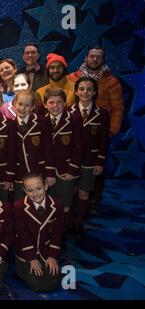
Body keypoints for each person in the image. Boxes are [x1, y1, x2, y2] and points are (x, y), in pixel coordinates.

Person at [69, 77, 109, 234]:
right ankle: (68, 221)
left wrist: (100, 161)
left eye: (89, 89)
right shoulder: (68, 112)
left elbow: (104, 140)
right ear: (77, 92)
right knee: (70, 191)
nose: (85, 92)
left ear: (94, 92)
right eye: (82, 89)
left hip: (90, 160)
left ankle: (78, 222)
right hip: (71, 160)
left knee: (84, 191)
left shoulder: (102, 114)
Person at [14, 172, 65, 292]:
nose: (35, 193)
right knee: (37, 284)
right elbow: (22, 235)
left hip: (46, 249)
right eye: (30, 190)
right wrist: (32, 258)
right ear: (24, 190)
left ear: (46, 186)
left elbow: (58, 232)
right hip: (27, 252)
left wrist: (52, 256)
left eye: (39, 188)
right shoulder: (18, 206)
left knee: (54, 281)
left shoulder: (57, 204)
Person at [44, 88, 82, 220]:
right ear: (45, 104)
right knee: (51, 203)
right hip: (49, 170)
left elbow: (79, 147)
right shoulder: (42, 120)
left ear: (65, 103)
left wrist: (72, 170)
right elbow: (44, 149)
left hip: (67, 170)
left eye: (59, 102)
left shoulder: (74, 119)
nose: (55, 106)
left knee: (65, 203)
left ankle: (63, 234)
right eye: (51, 102)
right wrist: (48, 172)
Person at [69, 45, 124, 137]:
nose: (95, 59)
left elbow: (117, 108)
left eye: (98, 57)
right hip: (75, 129)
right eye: (92, 56)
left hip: (100, 130)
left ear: (102, 60)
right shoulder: (72, 78)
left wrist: (111, 131)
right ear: (86, 58)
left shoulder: (111, 82)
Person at [13, 90, 55, 201]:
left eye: (27, 105)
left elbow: (49, 149)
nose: (22, 108)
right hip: (19, 173)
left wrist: (50, 172)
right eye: (20, 104)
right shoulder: (10, 124)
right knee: (19, 203)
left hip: (38, 170)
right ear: (14, 103)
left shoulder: (42, 122)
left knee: (41, 202)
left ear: (32, 107)